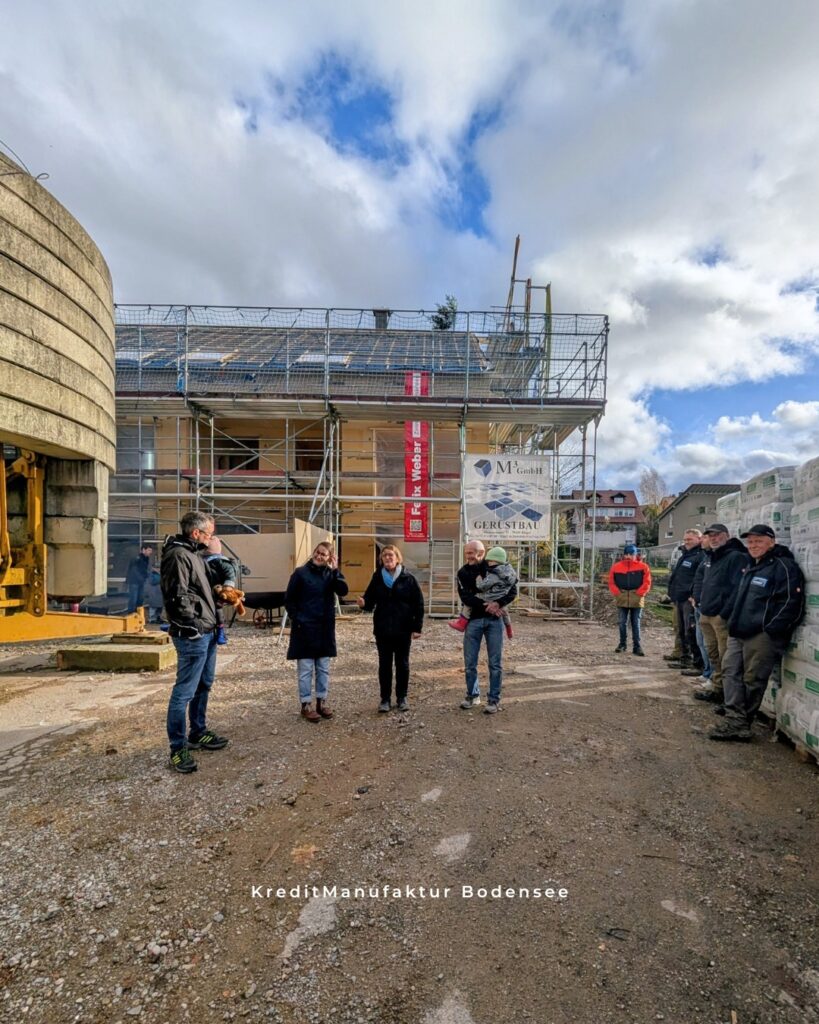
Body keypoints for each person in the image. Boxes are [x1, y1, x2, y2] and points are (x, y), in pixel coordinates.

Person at [710, 524, 804, 743]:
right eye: (750, 542)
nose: (753, 545)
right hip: (739, 631)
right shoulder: (753, 566)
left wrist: (771, 629)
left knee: (753, 679)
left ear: (771, 542)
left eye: (758, 541)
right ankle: (735, 716)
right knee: (730, 671)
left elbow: (791, 601)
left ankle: (740, 723)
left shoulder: (783, 566)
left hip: (761, 635)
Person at [160, 512, 228, 775]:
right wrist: (195, 624)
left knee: (204, 684)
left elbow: (198, 591)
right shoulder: (178, 555)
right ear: (196, 533)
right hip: (193, 634)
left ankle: (197, 732)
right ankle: (178, 748)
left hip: (207, 632)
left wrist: (217, 599)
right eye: (209, 534)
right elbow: (177, 596)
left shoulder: (193, 555)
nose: (211, 539)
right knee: (184, 692)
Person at [285, 541, 349, 722]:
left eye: (324, 554)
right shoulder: (300, 573)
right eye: (318, 552)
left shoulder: (331, 575)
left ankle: (322, 701)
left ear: (330, 558)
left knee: (323, 668)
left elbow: (343, 591)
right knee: (305, 669)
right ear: (314, 552)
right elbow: (289, 599)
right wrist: (298, 619)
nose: (320, 556)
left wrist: (336, 570)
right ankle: (306, 704)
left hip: (324, 628)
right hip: (304, 627)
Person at [357, 545, 424, 712]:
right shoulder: (377, 577)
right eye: (384, 556)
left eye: (390, 555)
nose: (387, 558)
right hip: (383, 629)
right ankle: (385, 699)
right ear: (381, 559)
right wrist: (363, 604)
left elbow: (418, 604)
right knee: (384, 665)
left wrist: (417, 627)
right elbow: (370, 600)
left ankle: (402, 697)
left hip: (403, 629)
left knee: (402, 664)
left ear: (397, 558)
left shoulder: (408, 578)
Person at [692, 524, 751, 711]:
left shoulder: (735, 557)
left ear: (727, 536)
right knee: (713, 654)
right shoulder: (712, 557)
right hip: (706, 613)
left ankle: (728, 696)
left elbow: (737, 588)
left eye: (717, 535)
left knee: (727, 657)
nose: (714, 539)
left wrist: (724, 612)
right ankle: (717, 688)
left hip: (720, 616)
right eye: (710, 536)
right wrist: (701, 603)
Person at [456, 540, 517, 714]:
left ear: (482, 553)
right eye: (467, 552)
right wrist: (487, 604)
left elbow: (513, 591)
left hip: (494, 621)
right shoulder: (462, 572)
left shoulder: (496, 568)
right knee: (470, 662)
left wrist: (498, 603)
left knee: (495, 663)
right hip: (474, 621)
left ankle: (494, 700)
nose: (469, 555)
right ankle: (472, 695)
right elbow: (465, 597)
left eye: (472, 552)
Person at [447, 546, 516, 639]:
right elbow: (465, 596)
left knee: (494, 653)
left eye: (470, 553)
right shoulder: (508, 572)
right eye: (466, 553)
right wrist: (497, 605)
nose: (467, 556)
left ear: (480, 553)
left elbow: (482, 587)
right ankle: (509, 629)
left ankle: (461, 623)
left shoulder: (493, 572)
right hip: (480, 616)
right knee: (505, 611)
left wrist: (479, 581)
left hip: (492, 615)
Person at [666, 530, 706, 668]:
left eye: (690, 539)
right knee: (681, 629)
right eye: (685, 539)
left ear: (699, 539)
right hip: (679, 598)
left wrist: (693, 595)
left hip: (689, 599)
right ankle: (684, 658)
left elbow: (699, 579)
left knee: (690, 631)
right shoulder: (685, 555)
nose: (686, 542)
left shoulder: (700, 555)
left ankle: (696, 662)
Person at [607, 543, 651, 655]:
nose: (628, 556)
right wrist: (617, 593)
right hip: (622, 597)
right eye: (626, 554)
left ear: (636, 554)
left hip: (636, 597)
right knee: (622, 622)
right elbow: (611, 582)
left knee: (636, 622)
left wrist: (640, 593)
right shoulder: (616, 567)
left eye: (631, 554)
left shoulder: (643, 567)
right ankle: (622, 644)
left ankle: (637, 646)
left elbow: (647, 582)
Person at [203, 536, 238, 645]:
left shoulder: (220, 561)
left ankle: (220, 631)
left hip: (219, 592)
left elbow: (230, 573)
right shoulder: (202, 560)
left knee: (218, 610)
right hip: (205, 590)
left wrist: (227, 588)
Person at [126, 544, 153, 613]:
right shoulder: (137, 558)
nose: (150, 552)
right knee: (133, 599)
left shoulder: (145, 558)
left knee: (140, 599)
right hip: (134, 582)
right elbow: (134, 571)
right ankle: (131, 614)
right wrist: (143, 577)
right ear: (143, 550)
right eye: (149, 550)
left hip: (140, 581)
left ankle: (137, 614)